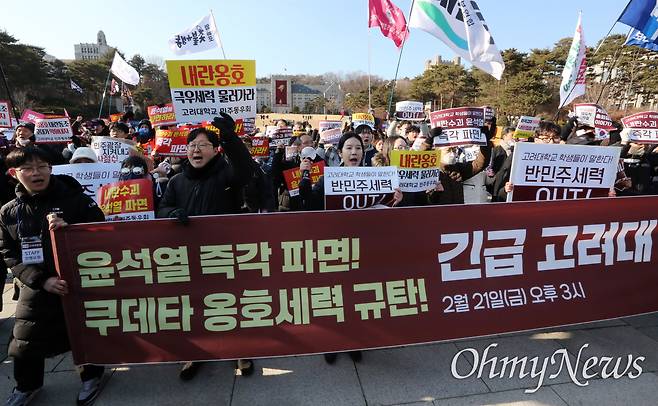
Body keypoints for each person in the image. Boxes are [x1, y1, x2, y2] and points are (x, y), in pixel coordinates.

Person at [0, 147, 106, 406]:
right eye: (28, 168)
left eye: (42, 166)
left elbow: (101, 231)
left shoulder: (76, 199)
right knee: (24, 340)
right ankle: (26, 386)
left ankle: (92, 377)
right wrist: (41, 280)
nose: (36, 173)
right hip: (36, 285)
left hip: (76, 280)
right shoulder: (9, 211)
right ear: (14, 173)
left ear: (51, 168)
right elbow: (8, 252)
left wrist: (73, 231)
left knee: (84, 332)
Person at [157, 113, 255, 380]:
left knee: (230, 302)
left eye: (203, 145)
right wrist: (172, 213)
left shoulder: (227, 175)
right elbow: (163, 208)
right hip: (188, 256)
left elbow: (245, 169)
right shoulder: (177, 181)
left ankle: (241, 350)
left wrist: (230, 138)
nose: (196, 150)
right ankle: (195, 353)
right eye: (191, 145)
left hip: (223, 254)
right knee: (195, 305)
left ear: (215, 150)